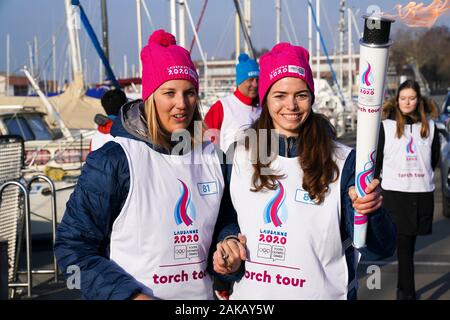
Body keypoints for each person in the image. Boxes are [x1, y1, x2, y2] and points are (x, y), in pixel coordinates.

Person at [54, 29, 246, 300]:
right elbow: (72, 250)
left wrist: (227, 248)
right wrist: (130, 296)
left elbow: (225, 221)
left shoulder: (213, 156)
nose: (182, 104)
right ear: (150, 97)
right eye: (170, 93)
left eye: (190, 92)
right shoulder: (114, 159)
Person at [212, 42, 397, 300]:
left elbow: (381, 249)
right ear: (265, 99)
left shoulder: (343, 161)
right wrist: (228, 245)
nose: (292, 105)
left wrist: (371, 212)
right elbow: (226, 222)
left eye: (301, 94)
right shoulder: (237, 155)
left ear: (311, 97)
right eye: (280, 95)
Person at [374, 80, 440, 300]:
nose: (407, 102)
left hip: (420, 193)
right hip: (395, 193)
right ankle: (406, 293)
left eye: (411, 98)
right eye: (403, 98)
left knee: (409, 247)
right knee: (403, 246)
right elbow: (378, 160)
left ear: (418, 100)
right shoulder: (386, 126)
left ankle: (403, 290)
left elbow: (434, 160)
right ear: (397, 99)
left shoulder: (430, 127)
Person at [204, 53, 261, 152]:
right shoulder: (222, 107)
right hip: (228, 166)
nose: (255, 84)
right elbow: (205, 144)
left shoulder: (262, 107)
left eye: (257, 80)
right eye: (250, 80)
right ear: (240, 81)